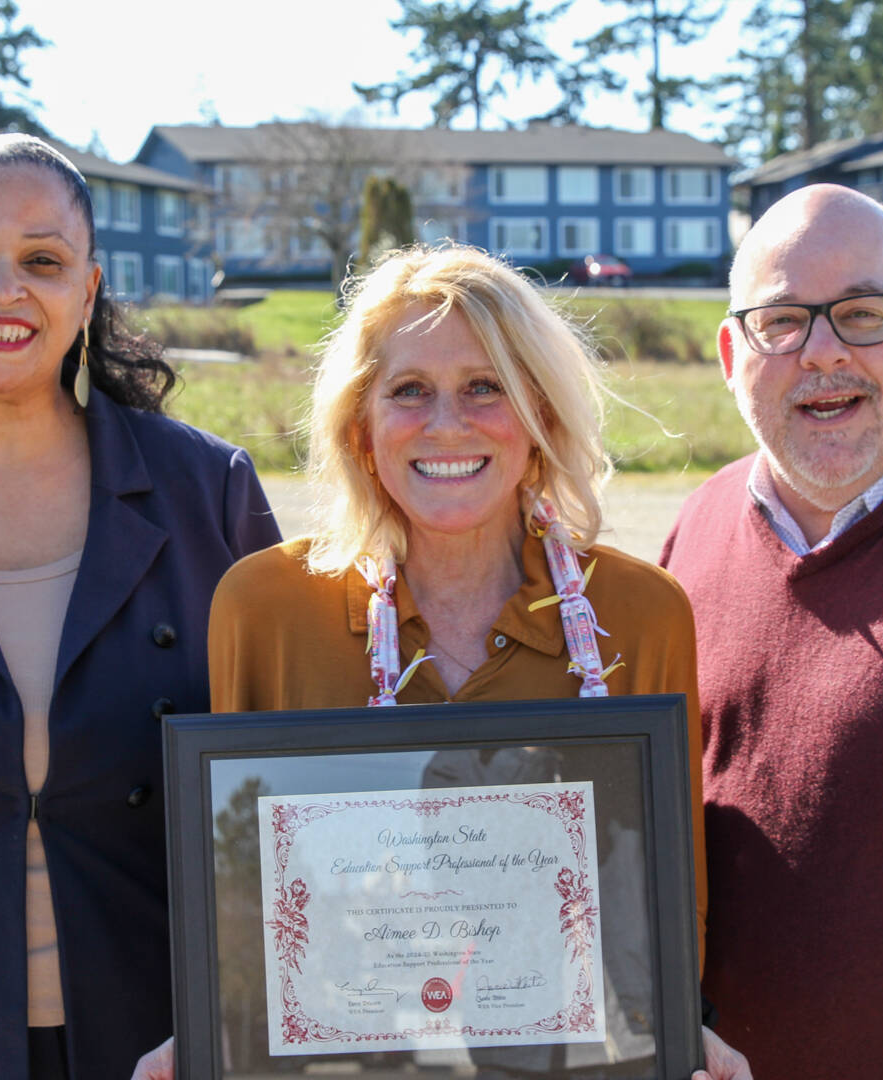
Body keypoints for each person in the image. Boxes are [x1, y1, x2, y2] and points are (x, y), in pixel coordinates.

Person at [133, 244, 750, 1080]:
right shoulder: (265, 607)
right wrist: (215, 1035)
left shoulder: (640, 614)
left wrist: (682, 1032)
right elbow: (240, 896)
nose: (446, 423)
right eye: (409, 391)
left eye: (484, 387)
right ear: (362, 427)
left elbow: (670, 901)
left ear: (538, 418)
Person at [0, 134, 280, 1080]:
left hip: (163, 1037)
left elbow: (294, 787)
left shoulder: (207, 492)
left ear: (90, 289)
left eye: (44, 262)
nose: (5, 288)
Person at [660, 183, 883, 1078]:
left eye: (863, 314)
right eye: (783, 321)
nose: (823, 352)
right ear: (730, 352)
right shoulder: (697, 532)